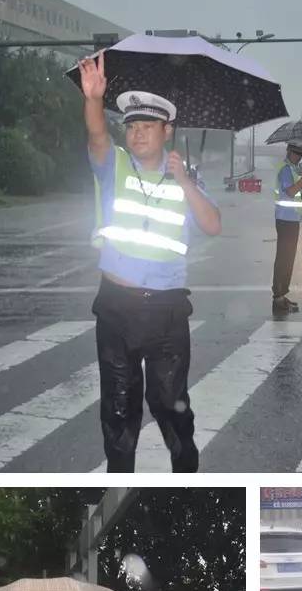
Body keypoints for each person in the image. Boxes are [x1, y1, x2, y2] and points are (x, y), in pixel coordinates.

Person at [78, 52, 222, 473]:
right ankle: (120, 489)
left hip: (166, 313)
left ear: (167, 131)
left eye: (147, 126)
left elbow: (212, 224)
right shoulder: (115, 166)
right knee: (119, 415)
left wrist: (184, 180)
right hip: (116, 308)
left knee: (172, 410)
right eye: (133, 127)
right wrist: (93, 100)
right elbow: (96, 139)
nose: (138, 134)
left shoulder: (187, 175)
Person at [272, 142, 302, 315]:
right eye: (296, 153)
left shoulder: (292, 169)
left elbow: (296, 192)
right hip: (285, 220)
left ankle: (282, 295)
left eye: (301, 154)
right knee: (284, 259)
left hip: (291, 219)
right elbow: (289, 192)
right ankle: (278, 297)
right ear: (289, 152)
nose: (298, 157)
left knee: (288, 259)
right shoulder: (286, 169)